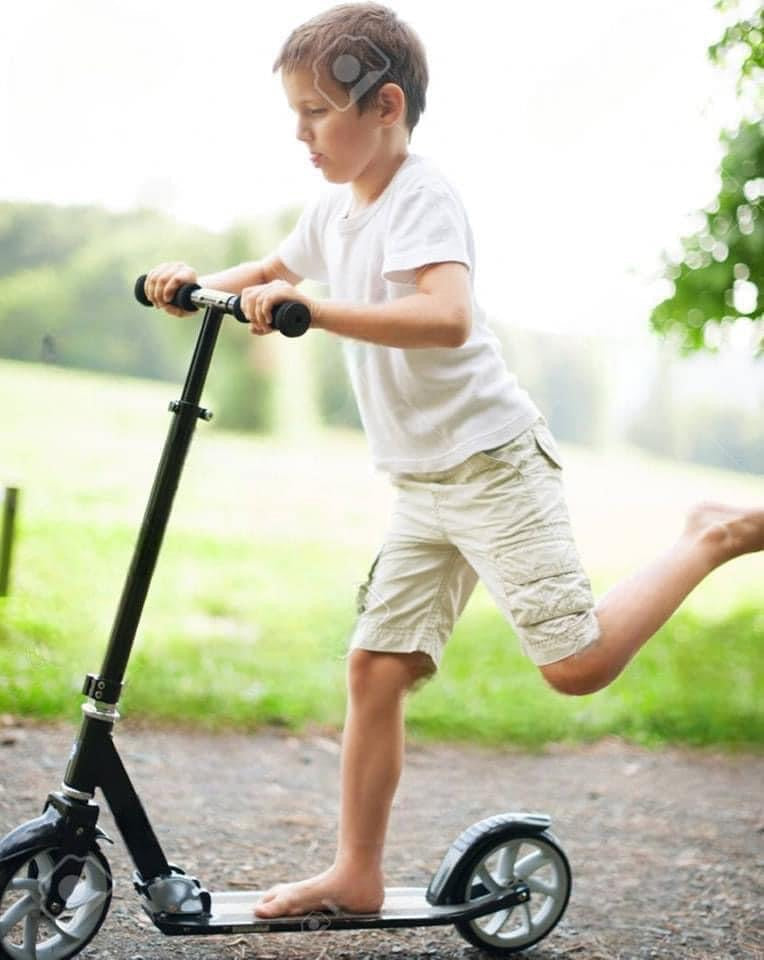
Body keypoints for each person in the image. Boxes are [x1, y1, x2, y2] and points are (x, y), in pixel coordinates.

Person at [143, 1, 764, 922]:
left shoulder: (421, 196)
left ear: (383, 106)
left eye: (317, 112)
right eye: (295, 115)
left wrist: (311, 311)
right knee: (375, 669)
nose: (301, 133)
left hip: (492, 465)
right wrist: (197, 288)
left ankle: (711, 535)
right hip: (423, 485)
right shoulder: (332, 209)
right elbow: (275, 265)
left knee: (576, 666)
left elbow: (446, 318)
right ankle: (356, 871)